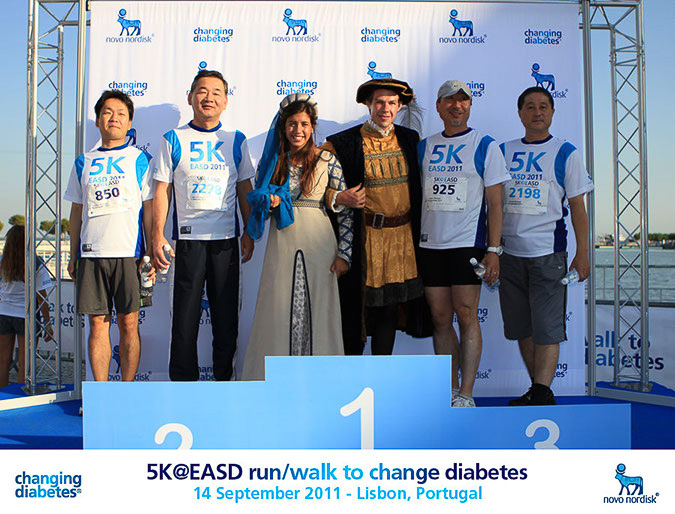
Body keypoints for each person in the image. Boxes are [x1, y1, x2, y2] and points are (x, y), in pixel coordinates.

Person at [152, 69, 255, 381]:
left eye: (216, 92)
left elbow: (245, 189)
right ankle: (184, 387)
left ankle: (225, 383)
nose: (208, 98)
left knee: (226, 321)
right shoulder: (173, 139)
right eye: (201, 91)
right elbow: (161, 190)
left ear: (225, 101)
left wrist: (249, 232)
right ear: (190, 98)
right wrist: (157, 235)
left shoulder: (236, 140)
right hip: (186, 242)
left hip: (225, 242)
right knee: (184, 322)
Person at [242, 94, 353, 380]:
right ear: (284, 127)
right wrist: (270, 202)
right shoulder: (272, 163)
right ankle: (275, 378)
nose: (298, 130)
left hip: (319, 240)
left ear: (312, 126)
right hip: (283, 240)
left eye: (304, 124)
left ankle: (321, 379)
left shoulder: (327, 159)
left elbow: (345, 210)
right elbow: (260, 207)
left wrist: (345, 253)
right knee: (278, 307)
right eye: (292, 124)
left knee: (320, 307)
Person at [418, 80, 510, 407]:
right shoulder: (424, 146)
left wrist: (493, 251)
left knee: (467, 315)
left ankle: (467, 393)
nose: (456, 106)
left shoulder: (485, 145)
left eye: (463, 100)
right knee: (440, 319)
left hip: (467, 245)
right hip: (430, 246)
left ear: (470, 105)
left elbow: (496, 204)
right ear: (439, 106)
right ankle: (450, 387)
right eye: (449, 100)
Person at [499, 86, 594, 405]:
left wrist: (583, 253)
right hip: (509, 255)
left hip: (548, 255)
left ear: (552, 112)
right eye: (530, 106)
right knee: (522, 328)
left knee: (548, 328)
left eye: (543, 106)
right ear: (520, 113)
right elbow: (491, 204)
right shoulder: (503, 151)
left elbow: (578, 207)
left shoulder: (566, 152)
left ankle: (541, 392)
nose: (537, 112)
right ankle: (538, 390)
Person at [322, 78, 426, 356]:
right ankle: (352, 372)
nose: (385, 108)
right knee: (357, 309)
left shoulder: (410, 140)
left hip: (402, 240)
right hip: (364, 240)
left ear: (399, 106)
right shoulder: (343, 143)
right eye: (379, 102)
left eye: (392, 102)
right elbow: (311, 183)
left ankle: (382, 371)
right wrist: (338, 197)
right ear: (368, 105)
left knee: (389, 310)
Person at [65, 89, 154, 382]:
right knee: (97, 326)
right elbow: (77, 211)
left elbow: (150, 208)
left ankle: (125, 392)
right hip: (92, 255)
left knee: (129, 324)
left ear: (129, 123)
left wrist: (150, 250)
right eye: (107, 112)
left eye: (120, 114)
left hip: (130, 254)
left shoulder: (140, 159)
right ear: (97, 120)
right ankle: (101, 393)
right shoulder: (83, 162)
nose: (113, 118)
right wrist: (73, 253)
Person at [0, 225, 53, 388]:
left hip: (3, 312)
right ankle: (21, 396)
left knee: (3, 360)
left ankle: (2, 394)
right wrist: (48, 323)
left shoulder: (2, 260)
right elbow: (41, 297)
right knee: (25, 361)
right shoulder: (35, 262)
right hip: (27, 315)